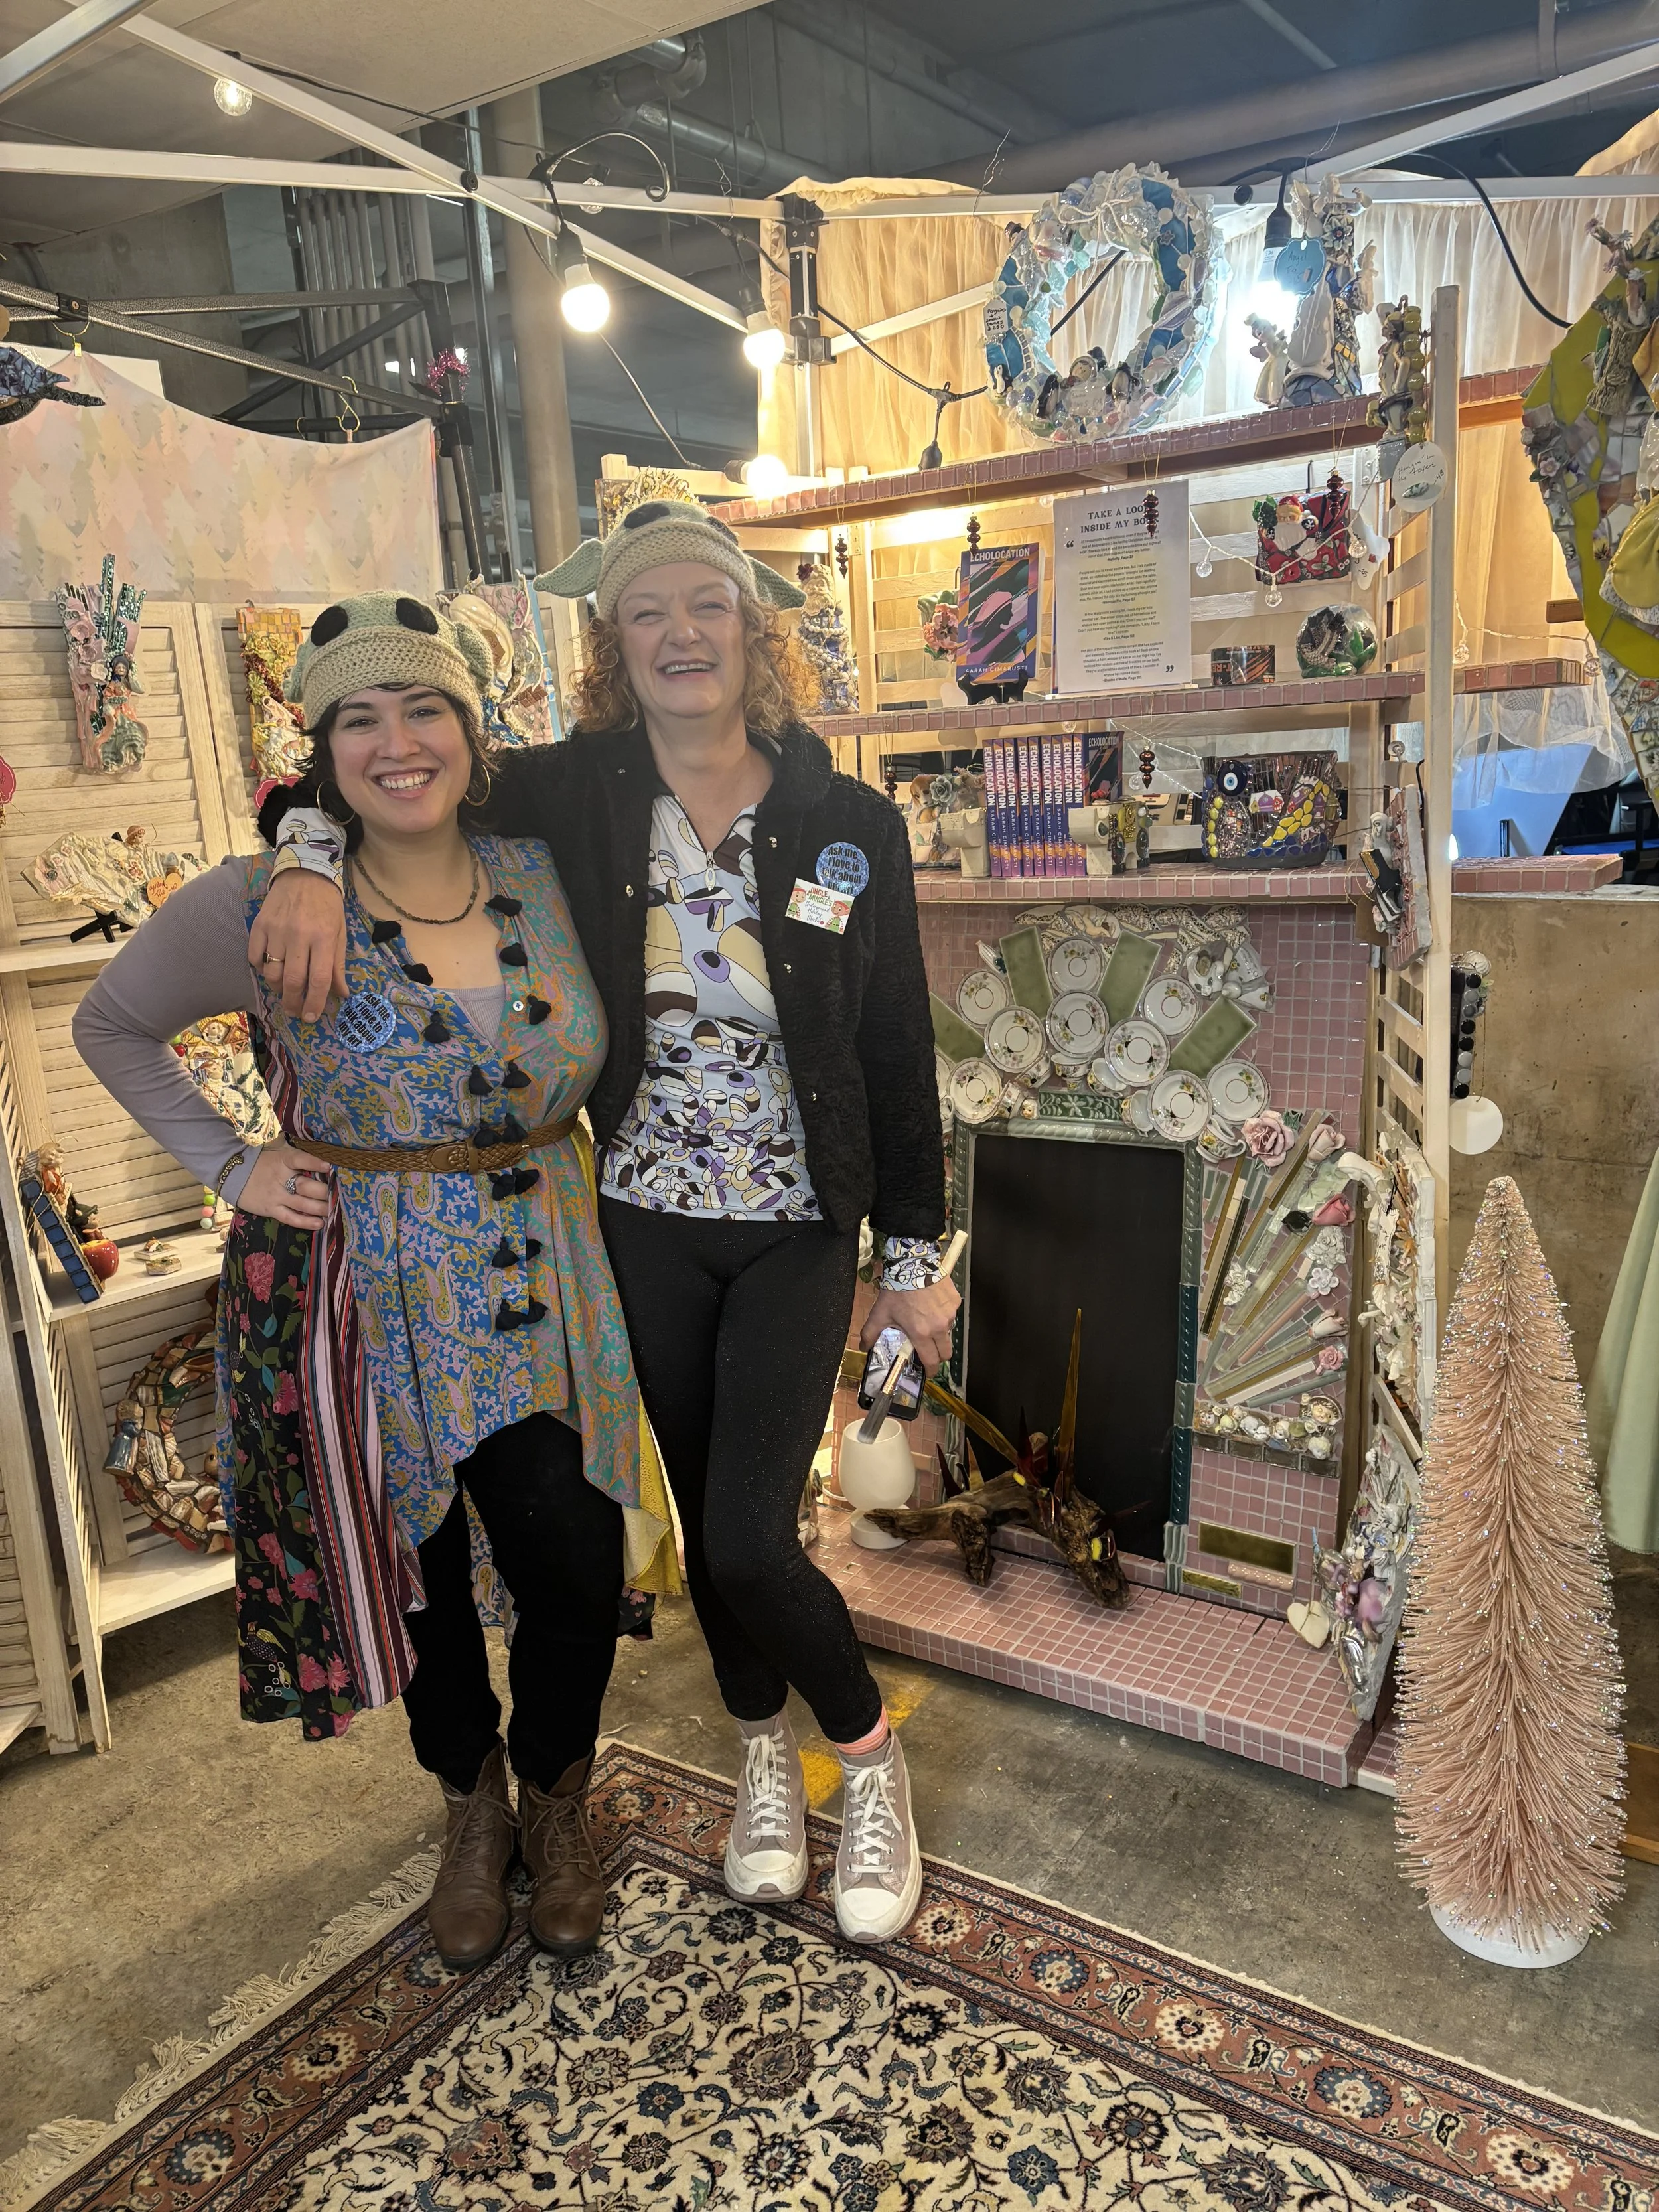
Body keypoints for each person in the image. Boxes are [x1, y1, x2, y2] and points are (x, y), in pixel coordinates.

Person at [253, 504, 960, 1943]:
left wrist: (909, 1259)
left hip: (793, 1222)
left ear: (752, 630)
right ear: (611, 642)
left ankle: (866, 1762)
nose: (680, 634)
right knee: (703, 1531)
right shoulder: (568, 795)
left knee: (756, 1539)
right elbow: (393, 767)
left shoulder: (847, 822)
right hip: (629, 1217)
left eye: (707, 605)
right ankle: (762, 1756)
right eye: (648, 612)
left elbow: (897, 1049)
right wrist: (301, 853)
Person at [74, 593, 674, 1971]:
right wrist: (230, 1168)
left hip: (546, 1276)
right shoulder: (261, 898)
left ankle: (555, 1790)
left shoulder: (546, 863)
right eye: (359, 718)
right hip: (358, 1285)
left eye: (424, 710)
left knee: (575, 1559)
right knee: (416, 1575)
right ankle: (470, 1807)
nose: (397, 743)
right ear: (320, 749)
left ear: (472, 731)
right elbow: (113, 1023)